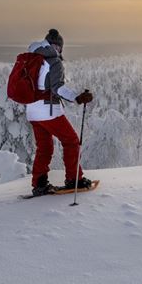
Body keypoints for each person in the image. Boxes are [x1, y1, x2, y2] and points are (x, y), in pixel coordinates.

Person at [26, 29, 94, 196]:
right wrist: (77, 97)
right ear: (58, 47)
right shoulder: (54, 62)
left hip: (32, 111)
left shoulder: (34, 57)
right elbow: (58, 88)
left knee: (44, 147)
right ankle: (74, 178)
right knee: (71, 141)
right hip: (48, 110)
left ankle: (39, 184)